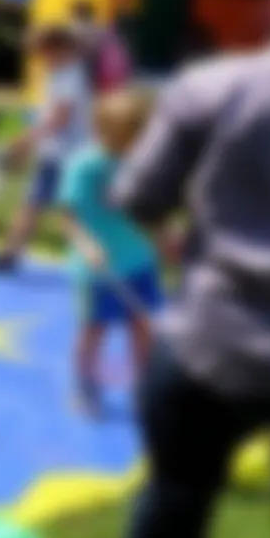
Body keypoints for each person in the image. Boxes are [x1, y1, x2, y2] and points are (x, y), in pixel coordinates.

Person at [114, 0, 270, 538]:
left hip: (214, 335)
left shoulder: (205, 88)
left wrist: (176, 242)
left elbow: (139, 196)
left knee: (176, 502)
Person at [58, 88, 164, 416]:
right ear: (103, 131)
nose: (133, 145)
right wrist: (86, 243)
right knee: (94, 330)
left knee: (142, 326)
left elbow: (146, 210)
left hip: (138, 263)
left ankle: (145, 387)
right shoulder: (85, 165)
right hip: (98, 272)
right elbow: (66, 217)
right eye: (127, 137)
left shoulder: (139, 162)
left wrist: (164, 236)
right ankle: (85, 385)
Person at [0, 26, 94, 273]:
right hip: (58, 152)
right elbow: (51, 114)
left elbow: (60, 117)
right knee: (37, 204)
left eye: (42, 53)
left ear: (59, 49)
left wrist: (27, 140)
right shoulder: (61, 72)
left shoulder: (69, 76)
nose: (39, 59)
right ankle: (9, 254)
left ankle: (11, 255)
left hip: (66, 155)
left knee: (67, 212)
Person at [71, 0, 132, 94]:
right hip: (97, 67)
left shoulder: (78, 28)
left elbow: (85, 47)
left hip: (89, 66)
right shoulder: (99, 27)